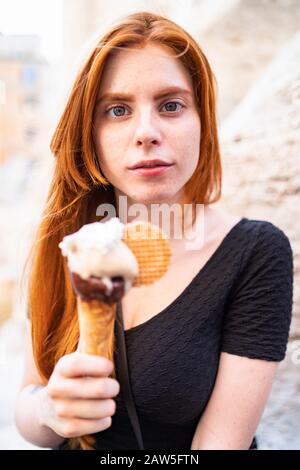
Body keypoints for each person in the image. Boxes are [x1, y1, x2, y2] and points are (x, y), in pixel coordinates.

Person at [15, 11, 293, 450]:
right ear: (89, 133)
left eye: (171, 105)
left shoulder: (254, 252)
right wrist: (50, 410)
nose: (146, 132)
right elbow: (28, 405)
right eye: (118, 110)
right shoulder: (66, 241)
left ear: (202, 120)